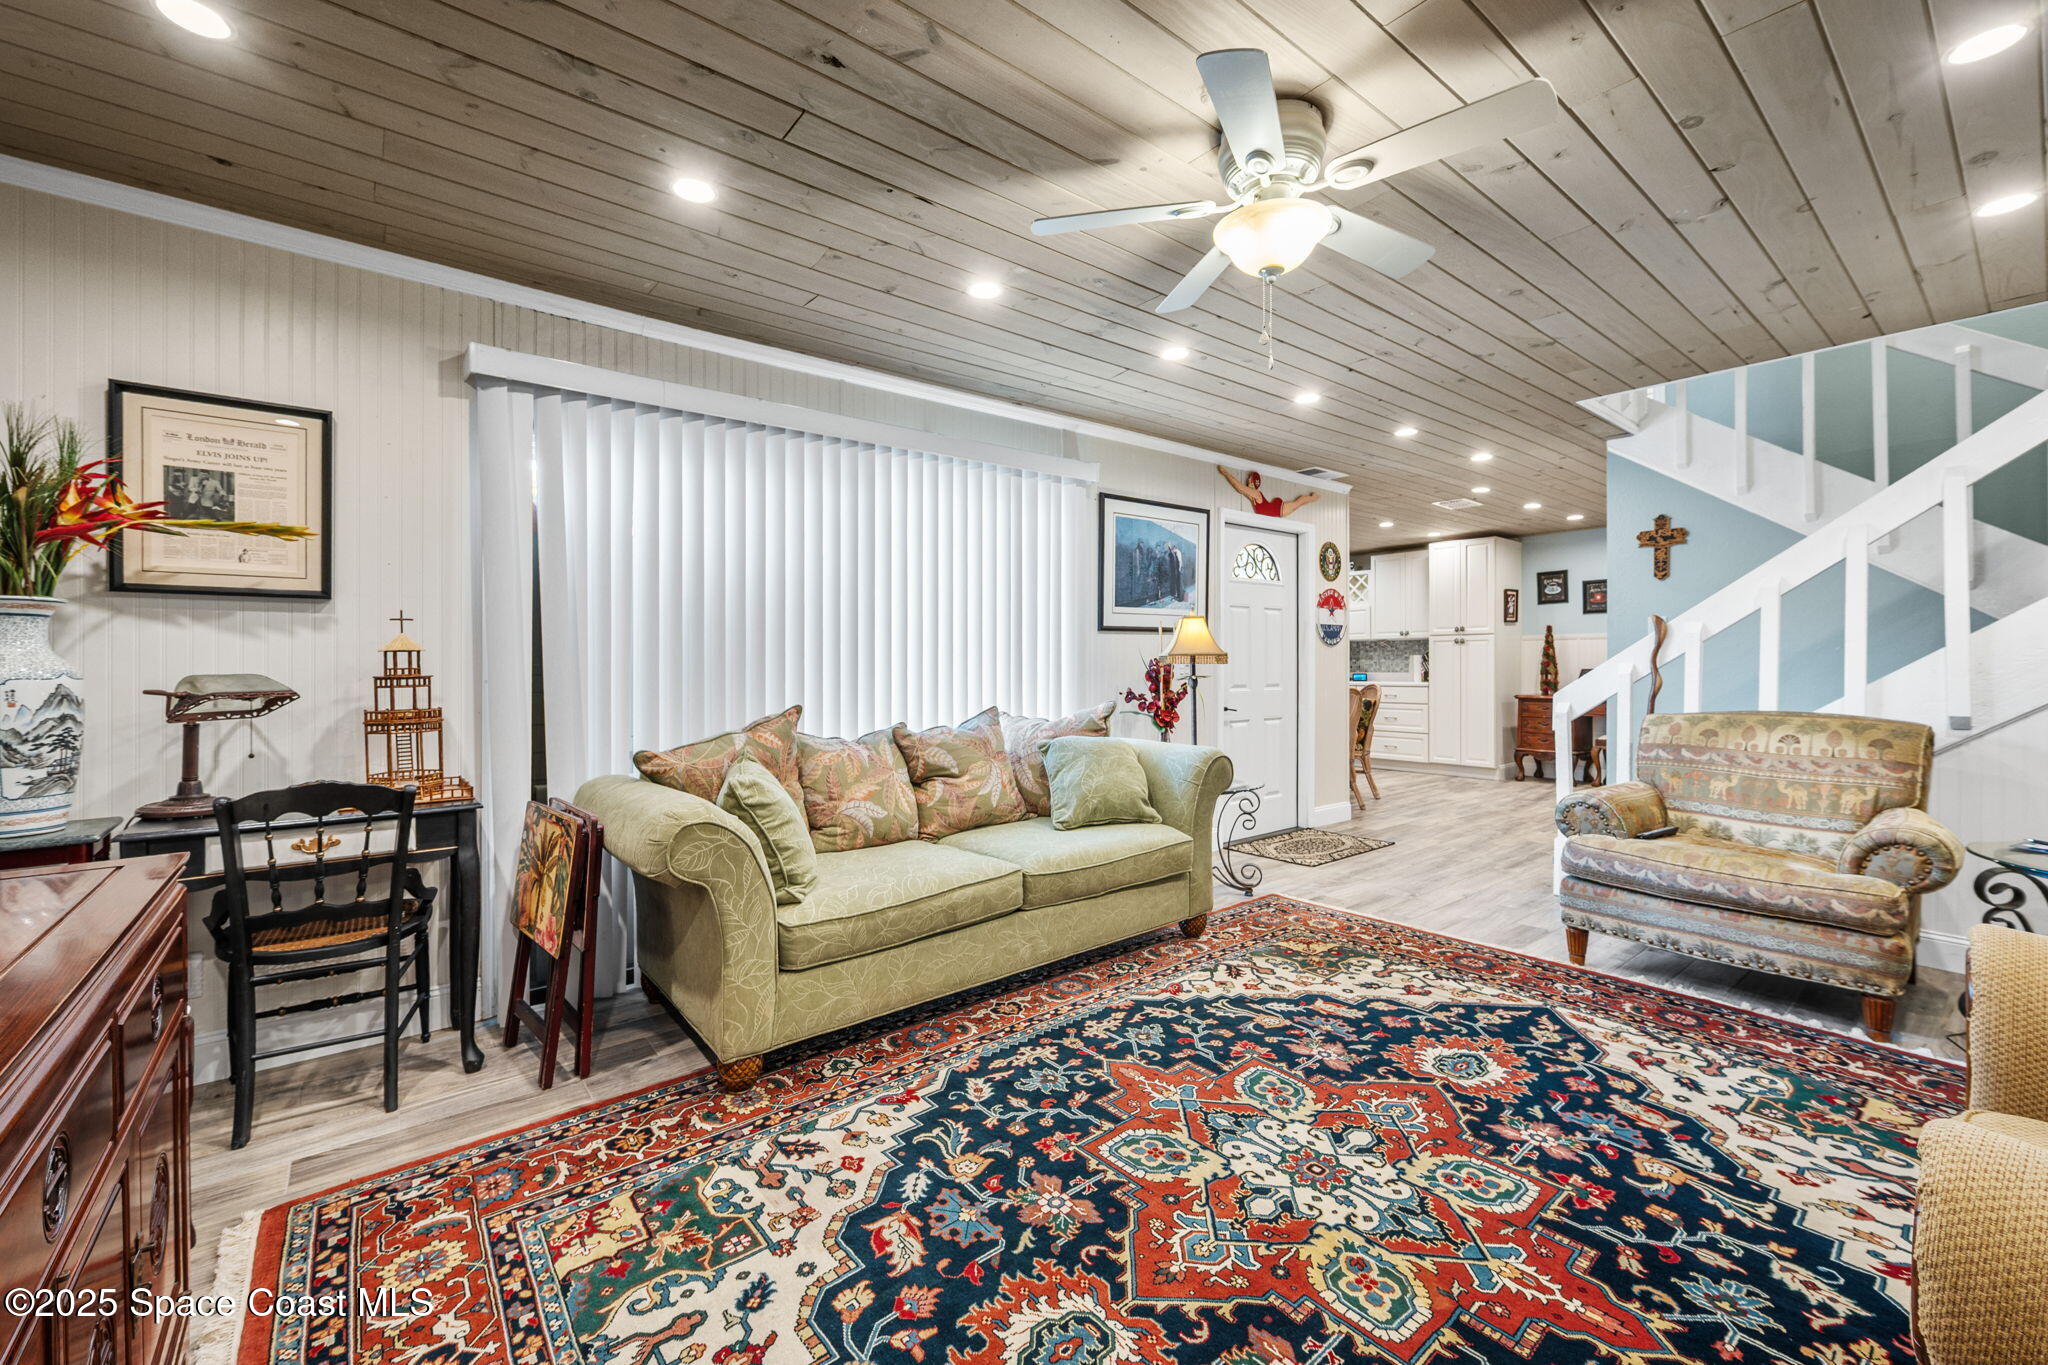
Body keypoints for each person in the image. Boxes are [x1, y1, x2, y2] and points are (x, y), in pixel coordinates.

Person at [1218, 465, 1320, 517]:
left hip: (1279, 509)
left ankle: (1313, 498)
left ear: (1253, 483)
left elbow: (1239, 487)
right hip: (1276, 510)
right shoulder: (1252, 497)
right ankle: (1312, 498)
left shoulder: (1256, 494)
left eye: (1250, 480)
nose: (1248, 481)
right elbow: (1239, 488)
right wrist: (1226, 474)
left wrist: (1226, 473)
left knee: (1299, 502)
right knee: (1298, 503)